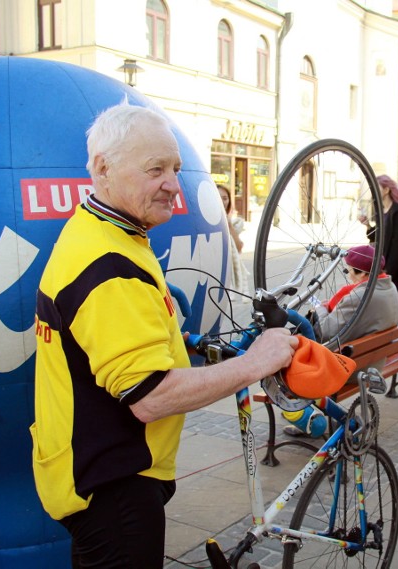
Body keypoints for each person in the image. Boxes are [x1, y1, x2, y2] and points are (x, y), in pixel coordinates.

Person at [31, 102, 298, 568]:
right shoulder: (108, 267)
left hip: (95, 470)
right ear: (103, 169)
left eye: (175, 168)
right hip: (113, 484)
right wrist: (258, 361)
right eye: (155, 169)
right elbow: (150, 395)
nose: (173, 184)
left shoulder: (104, 231)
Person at [283, 244, 398, 436]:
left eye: (348, 270)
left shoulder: (359, 295)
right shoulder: (389, 286)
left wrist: (319, 308)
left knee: (290, 360)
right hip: (374, 359)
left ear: (362, 273)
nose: (347, 274)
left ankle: (304, 417)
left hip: (352, 368)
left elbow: (327, 330)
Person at [360, 175, 398, 321]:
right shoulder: (381, 211)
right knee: (393, 311)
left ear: (386, 189)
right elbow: (378, 240)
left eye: (377, 186)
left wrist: (387, 273)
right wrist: (368, 225)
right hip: (389, 269)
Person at [217, 184, 249, 297]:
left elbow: (238, 247)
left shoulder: (230, 223)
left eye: (225, 198)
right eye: (218, 197)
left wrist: (229, 225)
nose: (222, 201)